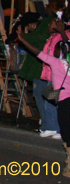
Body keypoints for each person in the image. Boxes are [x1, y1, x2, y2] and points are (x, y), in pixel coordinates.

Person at [16, 16, 70, 178]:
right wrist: (62, 32)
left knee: (67, 133)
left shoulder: (56, 63)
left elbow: (37, 52)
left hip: (64, 101)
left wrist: (22, 40)